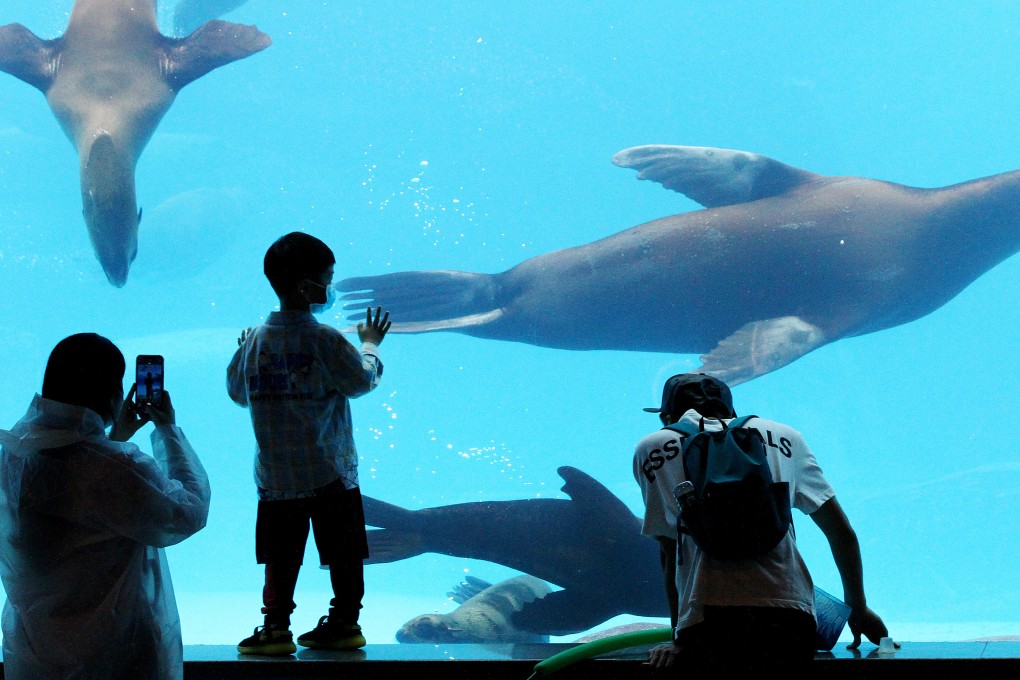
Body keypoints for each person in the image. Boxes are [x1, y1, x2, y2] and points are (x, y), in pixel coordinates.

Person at [632, 372, 894, 673]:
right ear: (731, 410)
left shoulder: (651, 449)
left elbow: (669, 551)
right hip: (790, 616)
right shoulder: (786, 437)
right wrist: (857, 608)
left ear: (667, 416)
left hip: (707, 619)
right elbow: (841, 532)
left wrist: (677, 636)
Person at [0, 333, 210, 680]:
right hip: (116, 656)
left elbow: (75, 490)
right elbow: (187, 512)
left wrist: (112, 439)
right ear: (113, 394)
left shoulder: (15, 455)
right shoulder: (117, 469)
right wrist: (167, 430)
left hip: (35, 657)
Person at [227, 231, 391, 655]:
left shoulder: (256, 341)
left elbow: (236, 392)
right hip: (330, 473)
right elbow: (359, 381)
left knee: (280, 557)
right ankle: (345, 623)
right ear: (306, 287)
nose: (331, 288)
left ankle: (276, 627)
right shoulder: (324, 340)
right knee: (344, 551)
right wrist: (370, 345)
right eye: (328, 278)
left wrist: (243, 348)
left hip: (276, 477)